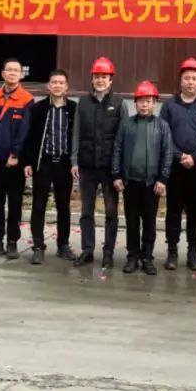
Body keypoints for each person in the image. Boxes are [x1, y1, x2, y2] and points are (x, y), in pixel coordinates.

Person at [71, 57, 128, 268]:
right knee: (86, 212)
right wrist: (74, 160)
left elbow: (123, 138)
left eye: (104, 77)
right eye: (97, 76)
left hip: (110, 168)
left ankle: (108, 252)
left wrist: (119, 169)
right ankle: (87, 250)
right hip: (87, 166)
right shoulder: (83, 103)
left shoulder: (119, 103)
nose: (100, 80)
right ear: (92, 79)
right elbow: (76, 133)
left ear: (111, 79)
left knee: (111, 212)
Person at [160, 57, 196, 271]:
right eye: (187, 78)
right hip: (174, 167)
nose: (190, 82)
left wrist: (195, 157)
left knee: (195, 210)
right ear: (180, 80)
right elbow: (164, 133)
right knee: (173, 210)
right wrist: (178, 155)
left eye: (194, 78)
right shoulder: (169, 105)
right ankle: (172, 251)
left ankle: (193, 252)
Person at [111, 80, 172, 276]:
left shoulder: (162, 126)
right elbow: (117, 149)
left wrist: (162, 179)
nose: (144, 105)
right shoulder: (126, 124)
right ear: (135, 103)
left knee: (149, 222)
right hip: (130, 182)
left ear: (155, 103)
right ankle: (132, 257)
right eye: (141, 101)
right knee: (131, 222)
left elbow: (167, 153)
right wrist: (116, 175)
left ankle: (147, 258)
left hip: (151, 184)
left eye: (148, 101)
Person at [0, 58, 33, 260]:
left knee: (15, 204)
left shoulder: (27, 99)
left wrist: (16, 154)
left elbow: (25, 130)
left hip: (14, 163)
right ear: (2, 73)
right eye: (9, 70)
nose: (12, 73)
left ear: (21, 75)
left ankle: (12, 242)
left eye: (16, 70)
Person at [22, 69, 77, 265]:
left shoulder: (74, 109)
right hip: (43, 163)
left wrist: (75, 162)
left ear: (66, 86)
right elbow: (30, 137)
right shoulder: (38, 109)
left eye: (61, 82)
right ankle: (38, 246)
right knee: (39, 205)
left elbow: (78, 137)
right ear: (48, 85)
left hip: (64, 164)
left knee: (64, 206)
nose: (57, 86)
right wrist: (28, 162)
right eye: (54, 82)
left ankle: (63, 244)